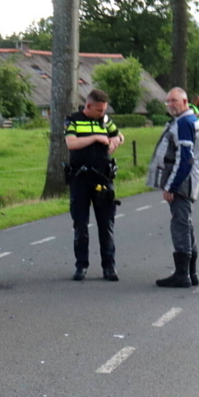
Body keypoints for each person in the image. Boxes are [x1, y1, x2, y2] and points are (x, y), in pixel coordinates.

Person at [147, 87, 199, 288]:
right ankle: (191, 273)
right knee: (185, 223)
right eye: (168, 101)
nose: (170, 104)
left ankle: (183, 275)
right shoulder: (186, 121)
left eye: (174, 101)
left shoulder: (184, 123)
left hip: (182, 182)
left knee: (180, 224)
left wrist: (171, 185)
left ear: (185, 102)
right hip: (188, 180)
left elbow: (185, 159)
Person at [65, 89, 124, 281]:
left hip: (103, 179)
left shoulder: (105, 120)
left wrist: (115, 141)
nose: (102, 114)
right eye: (99, 110)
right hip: (80, 178)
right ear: (88, 106)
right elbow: (71, 143)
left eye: (104, 110)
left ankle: (109, 266)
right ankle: (81, 265)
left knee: (106, 225)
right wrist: (96, 138)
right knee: (80, 225)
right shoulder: (74, 120)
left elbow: (119, 136)